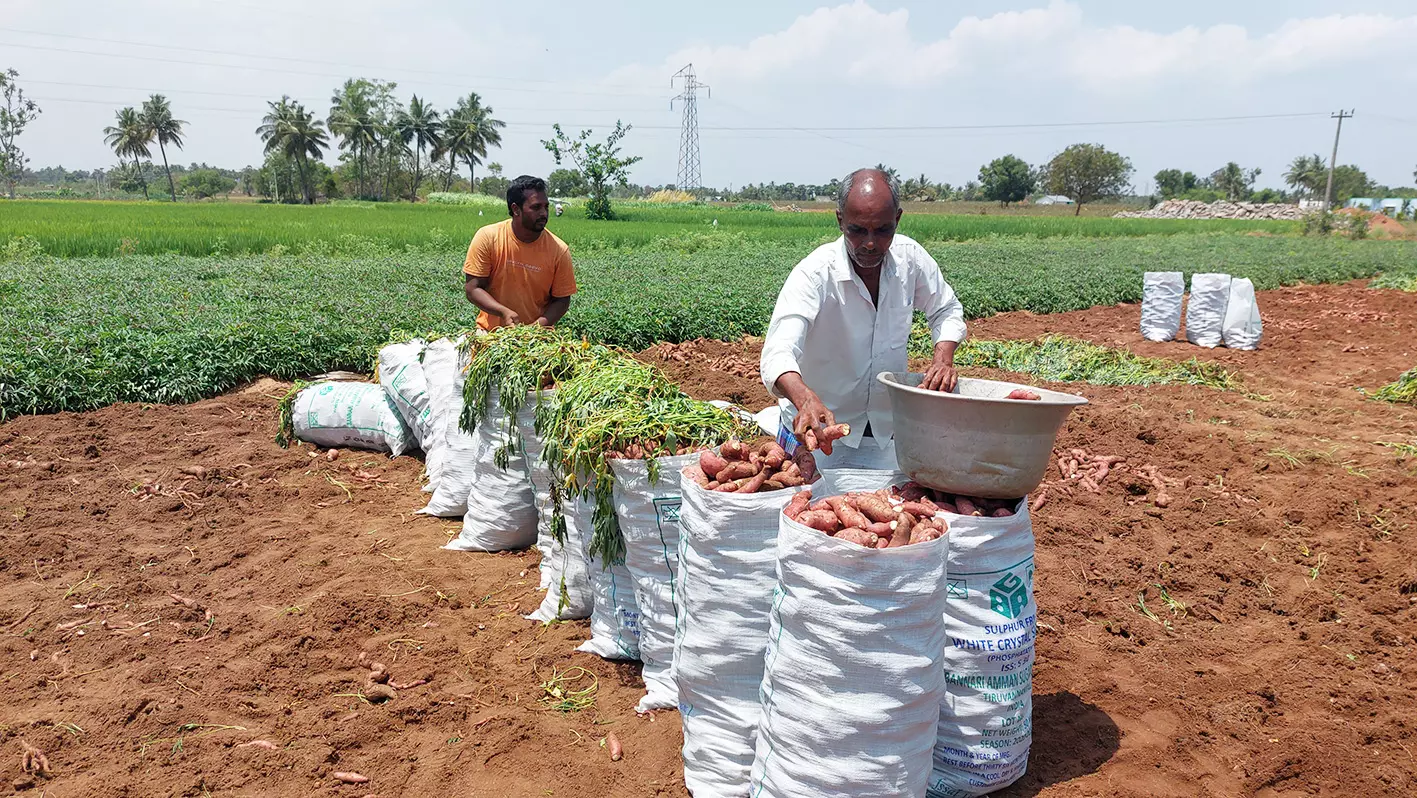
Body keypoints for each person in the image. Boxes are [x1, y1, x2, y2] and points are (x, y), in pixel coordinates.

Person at [759, 167, 967, 470]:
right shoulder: (815, 275)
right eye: (858, 230)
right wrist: (804, 398)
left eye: (882, 230)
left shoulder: (911, 261)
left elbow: (946, 309)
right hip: (820, 432)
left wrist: (943, 358)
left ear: (897, 219)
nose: (870, 243)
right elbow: (778, 351)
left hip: (886, 429)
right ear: (840, 220)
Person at [463, 175, 577, 330]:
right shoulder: (488, 237)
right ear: (516, 209)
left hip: (536, 338)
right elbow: (472, 289)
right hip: (489, 333)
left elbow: (562, 300)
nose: (543, 213)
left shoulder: (559, 250)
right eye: (536, 207)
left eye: (546, 207)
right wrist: (503, 312)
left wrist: (534, 329)